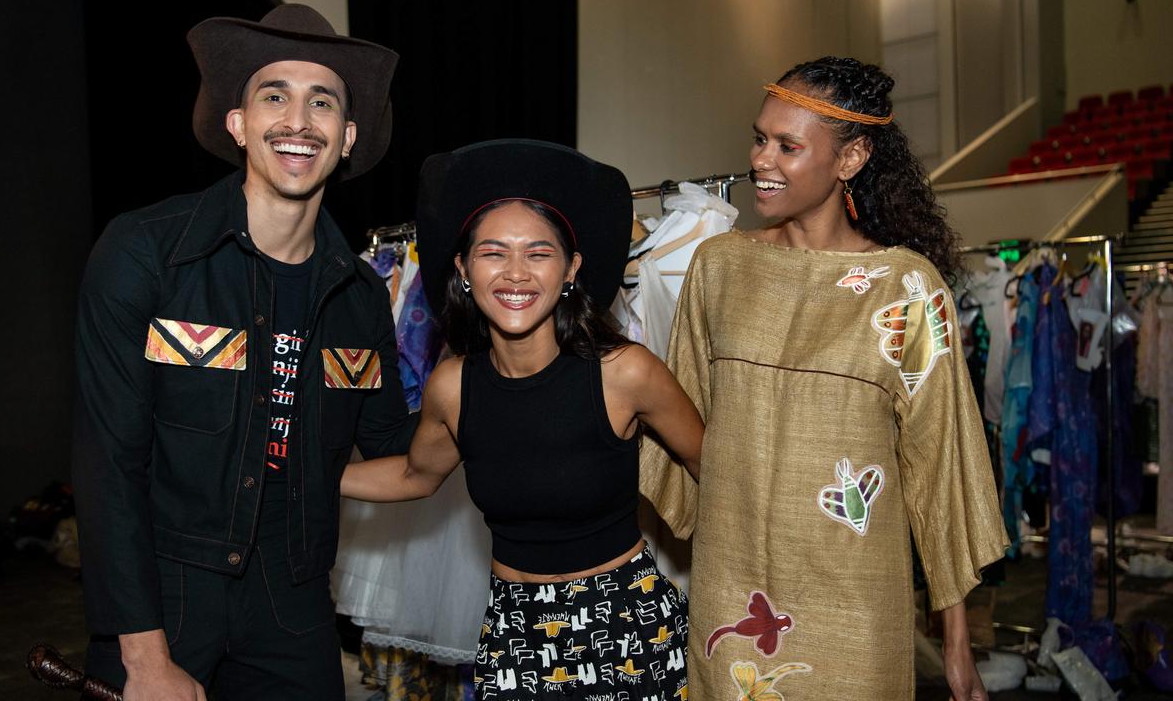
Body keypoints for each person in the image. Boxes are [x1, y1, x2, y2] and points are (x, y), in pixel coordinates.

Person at [71, 5, 414, 699]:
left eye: (322, 102)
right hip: (165, 594)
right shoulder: (147, 252)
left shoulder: (360, 298)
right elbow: (109, 464)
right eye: (274, 96)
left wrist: (492, 378)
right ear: (238, 123)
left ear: (345, 137)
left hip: (293, 602)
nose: (298, 120)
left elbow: (395, 452)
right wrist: (144, 658)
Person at [640, 57, 1009, 700]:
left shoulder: (906, 290)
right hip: (733, 590)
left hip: (855, 603)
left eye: (788, 146)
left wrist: (957, 648)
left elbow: (940, 465)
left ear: (851, 157)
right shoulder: (718, 266)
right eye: (760, 138)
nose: (761, 160)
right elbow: (684, 420)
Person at [341, 139, 705, 700]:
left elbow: (715, 469)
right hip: (515, 630)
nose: (516, 274)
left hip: (628, 627)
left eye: (538, 253)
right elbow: (415, 476)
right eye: (493, 253)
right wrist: (307, 473)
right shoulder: (453, 385)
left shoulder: (625, 373)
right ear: (463, 268)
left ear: (570, 270)